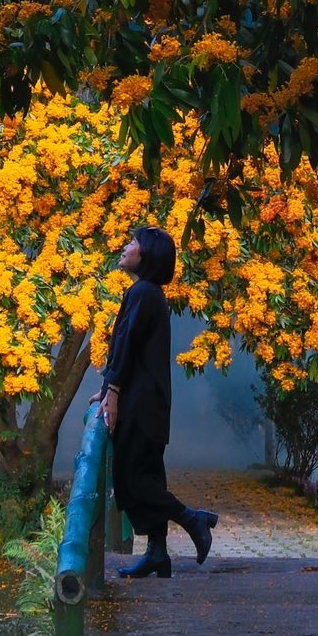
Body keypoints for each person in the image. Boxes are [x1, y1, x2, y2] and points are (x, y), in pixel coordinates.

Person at [93, 226, 218, 578]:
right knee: (148, 475)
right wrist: (107, 387)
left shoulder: (144, 292)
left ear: (145, 255)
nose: (125, 246)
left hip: (140, 404)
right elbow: (128, 348)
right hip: (148, 401)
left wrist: (113, 391)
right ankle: (158, 553)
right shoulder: (146, 293)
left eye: (132, 242)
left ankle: (192, 519)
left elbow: (128, 343)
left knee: (133, 479)